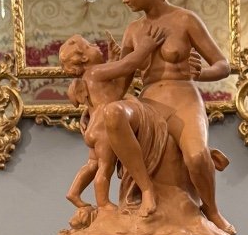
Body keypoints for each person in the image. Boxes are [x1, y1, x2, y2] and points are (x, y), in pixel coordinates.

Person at [113, 0, 236, 235]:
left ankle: (212, 210)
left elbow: (223, 65)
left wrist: (201, 73)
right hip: (150, 101)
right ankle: (142, 198)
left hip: (183, 97)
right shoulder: (133, 31)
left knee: (195, 156)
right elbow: (121, 84)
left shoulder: (185, 20)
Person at [59, 25, 168, 222]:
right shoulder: (95, 73)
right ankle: (103, 204)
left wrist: (113, 58)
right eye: (90, 45)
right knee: (105, 167)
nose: (95, 46)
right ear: (84, 59)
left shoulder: (92, 77)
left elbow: (116, 90)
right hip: (104, 126)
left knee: (92, 164)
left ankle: (74, 192)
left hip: (94, 127)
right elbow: (128, 66)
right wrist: (145, 47)